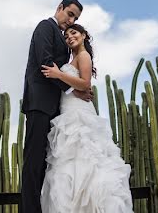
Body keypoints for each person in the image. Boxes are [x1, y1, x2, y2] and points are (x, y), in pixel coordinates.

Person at [39, 23, 133, 212]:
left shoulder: (84, 56)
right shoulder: (72, 57)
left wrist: (58, 73)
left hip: (79, 112)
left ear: (84, 36)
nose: (69, 37)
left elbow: (85, 83)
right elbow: (76, 87)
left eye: (73, 33)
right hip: (67, 109)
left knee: (86, 156)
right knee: (68, 162)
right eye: (66, 36)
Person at [21, 0, 90, 213]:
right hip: (40, 104)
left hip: (54, 108)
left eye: (76, 18)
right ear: (59, 8)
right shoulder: (45, 26)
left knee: (46, 163)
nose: (71, 21)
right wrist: (74, 90)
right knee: (33, 163)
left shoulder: (63, 38)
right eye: (70, 14)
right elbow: (45, 63)